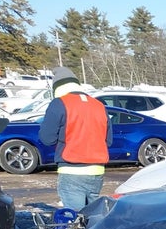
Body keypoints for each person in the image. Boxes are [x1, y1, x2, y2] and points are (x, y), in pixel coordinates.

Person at [38, 66, 112, 210]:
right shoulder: (99, 105)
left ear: (57, 87)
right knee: (93, 217)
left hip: (72, 171)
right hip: (97, 172)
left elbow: (47, 138)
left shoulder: (59, 103)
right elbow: (108, 141)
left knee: (75, 221)